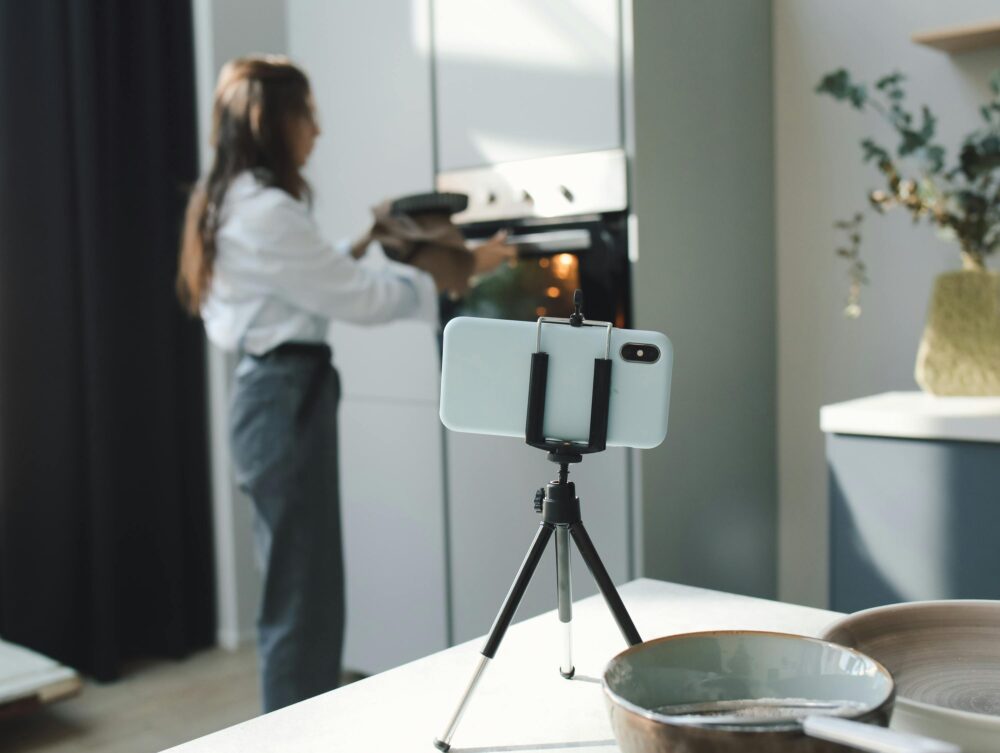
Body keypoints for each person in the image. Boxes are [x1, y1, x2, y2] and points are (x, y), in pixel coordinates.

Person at [175, 55, 511, 712]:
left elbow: (306, 279)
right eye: (309, 115)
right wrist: (463, 267)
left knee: (298, 587)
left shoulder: (225, 203)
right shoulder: (267, 211)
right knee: (304, 597)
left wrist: (361, 243)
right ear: (273, 121)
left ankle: (300, 725)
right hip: (283, 398)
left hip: (270, 394)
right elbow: (356, 298)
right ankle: (301, 733)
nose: (317, 132)